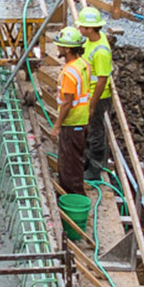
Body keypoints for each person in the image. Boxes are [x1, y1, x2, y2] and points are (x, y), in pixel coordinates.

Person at [50, 24, 92, 203]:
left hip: (71, 122)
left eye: (59, 45)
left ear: (67, 49)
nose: (57, 48)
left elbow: (67, 102)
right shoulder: (83, 64)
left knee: (70, 165)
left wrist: (57, 126)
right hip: (82, 119)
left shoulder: (69, 73)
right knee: (74, 159)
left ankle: (73, 199)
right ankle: (71, 193)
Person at [77, 4, 115, 179]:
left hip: (97, 98)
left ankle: (96, 168)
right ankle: (86, 160)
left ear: (90, 29)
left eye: (82, 27)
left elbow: (102, 80)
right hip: (87, 94)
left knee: (95, 132)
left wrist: (92, 104)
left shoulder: (101, 51)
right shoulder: (90, 42)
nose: (79, 28)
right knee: (88, 130)